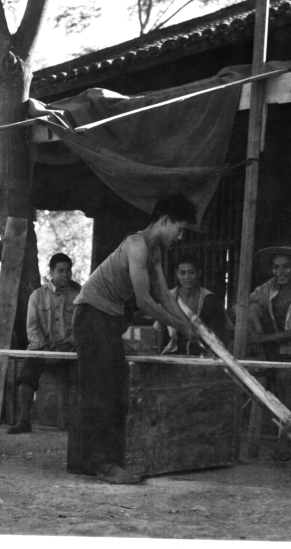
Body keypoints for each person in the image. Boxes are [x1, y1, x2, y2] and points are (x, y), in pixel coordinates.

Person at [71, 193, 200, 484]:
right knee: (101, 391)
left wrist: (187, 322)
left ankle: (104, 461)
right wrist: (182, 326)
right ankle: (103, 466)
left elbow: (165, 296)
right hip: (91, 316)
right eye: (179, 229)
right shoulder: (136, 245)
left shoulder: (153, 252)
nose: (179, 237)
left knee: (115, 389)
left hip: (108, 318)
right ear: (165, 221)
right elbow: (144, 302)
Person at [246, 245, 291, 460]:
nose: (280, 272)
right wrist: (252, 325)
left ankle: (284, 439)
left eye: (285, 267)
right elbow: (241, 305)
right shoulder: (267, 288)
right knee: (249, 309)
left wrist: (263, 338)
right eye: (276, 267)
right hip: (269, 351)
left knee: (284, 376)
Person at [7, 253, 82, 434]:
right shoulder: (37, 296)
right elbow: (32, 328)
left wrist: (67, 346)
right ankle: (24, 421)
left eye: (68, 271)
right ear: (51, 272)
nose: (65, 275)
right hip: (42, 350)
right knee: (26, 375)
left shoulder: (79, 295)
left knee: (84, 374)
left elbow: (81, 326)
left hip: (68, 351)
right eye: (61, 271)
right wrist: (45, 349)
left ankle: (79, 423)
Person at [156, 256, 233, 355]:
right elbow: (159, 327)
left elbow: (226, 329)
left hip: (203, 352)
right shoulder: (169, 297)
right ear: (177, 274)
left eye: (191, 273)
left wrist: (215, 352)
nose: (187, 277)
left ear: (199, 273)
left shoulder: (210, 298)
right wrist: (158, 352)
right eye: (182, 273)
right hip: (174, 350)